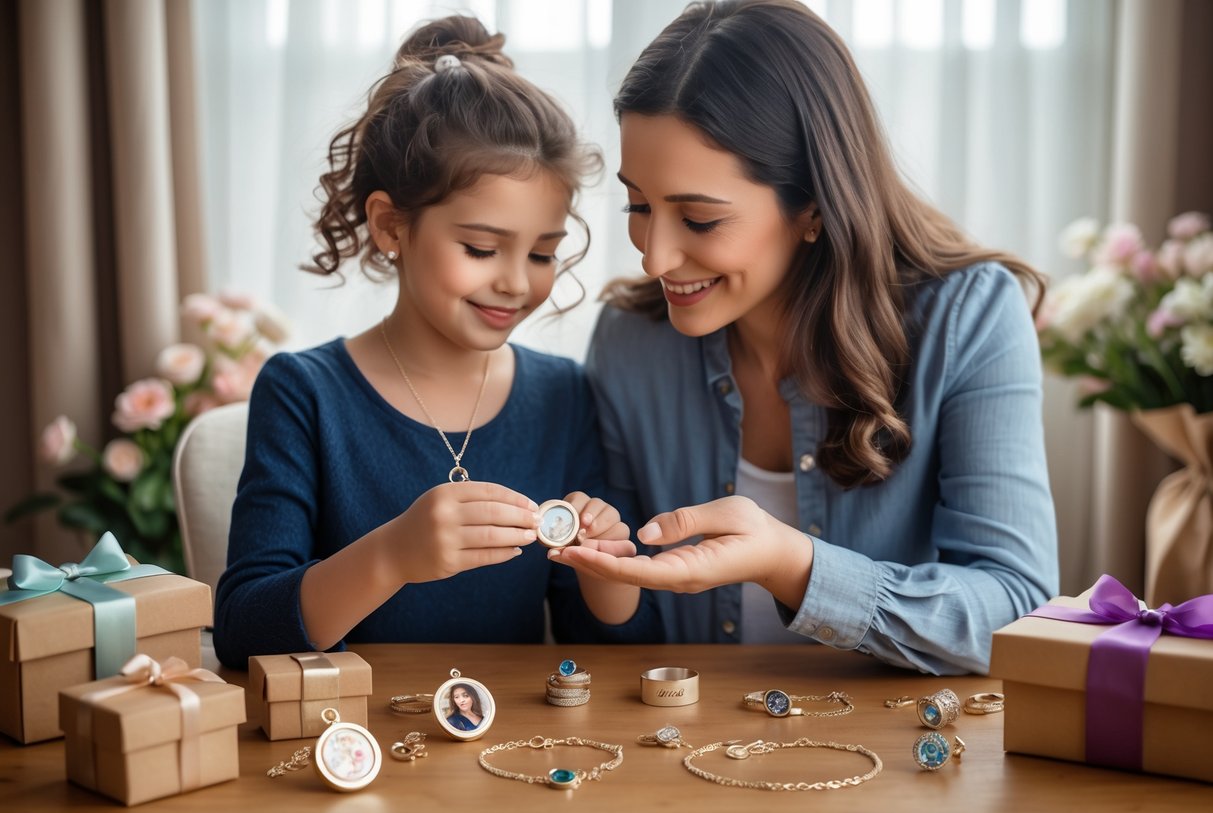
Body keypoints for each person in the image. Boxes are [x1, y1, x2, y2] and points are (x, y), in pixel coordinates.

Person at [550, 0, 1058, 675]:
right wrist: (606, 572)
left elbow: (1014, 608)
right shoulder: (630, 341)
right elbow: (619, 642)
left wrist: (792, 565)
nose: (654, 257)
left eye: (698, 219)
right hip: (681, 757)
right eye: (638, 206)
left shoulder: (965, 316)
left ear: (812, 207)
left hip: (904, 759)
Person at [213, 16, 656, 669]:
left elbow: (608, 650)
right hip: (349, 749)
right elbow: (243, 632)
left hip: (509, 750)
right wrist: (392, 555)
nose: (513, 282)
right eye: (480, 248)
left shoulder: (562, 395)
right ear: (391, 226)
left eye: (541, 253)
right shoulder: (304, 392)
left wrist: (606, 574)